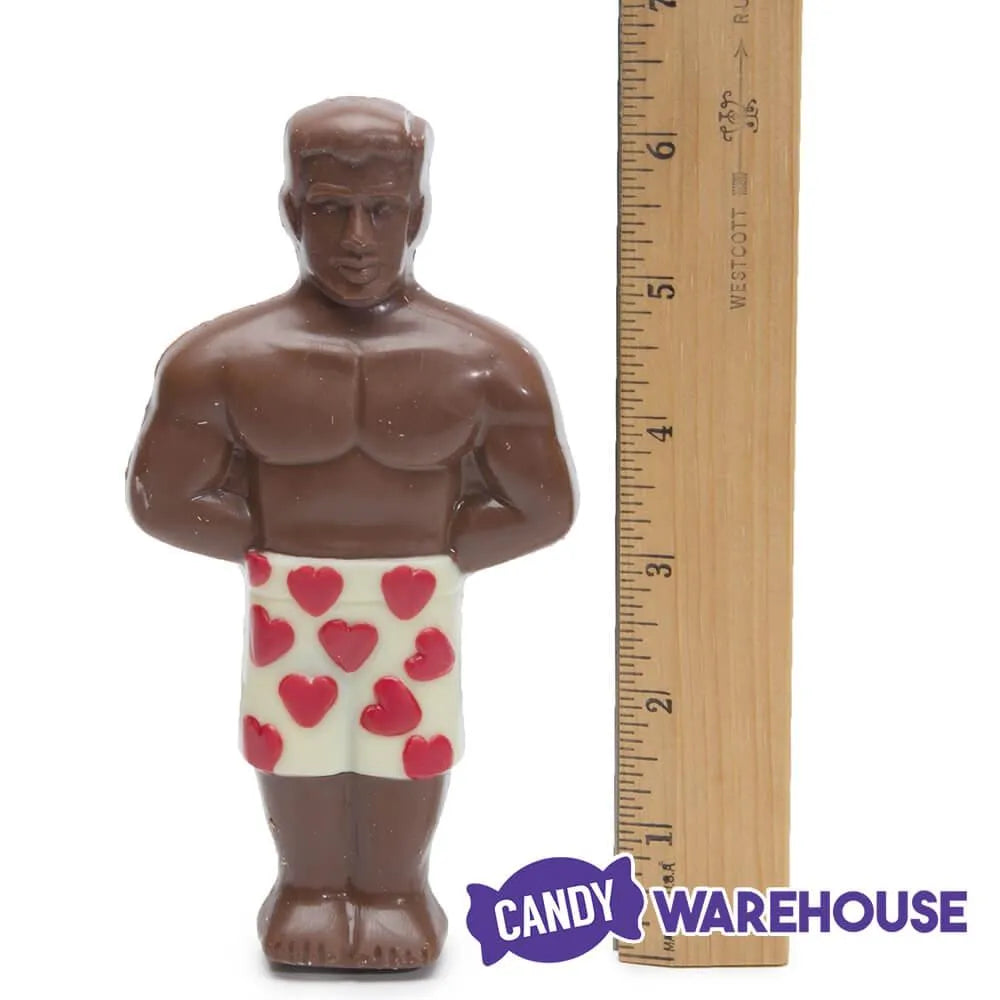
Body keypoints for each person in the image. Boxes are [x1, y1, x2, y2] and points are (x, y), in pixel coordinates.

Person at [127, 96, 576, 970]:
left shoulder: (486, 364)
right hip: (289, 592)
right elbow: (161, 497)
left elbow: (545, 507)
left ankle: (394, 892)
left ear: (421, 213)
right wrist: (275, 550)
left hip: (417, 594)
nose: (358, 239)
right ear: (291, 210)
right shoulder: (221, 362)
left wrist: (436, 559)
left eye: (384, 210)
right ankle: (307, 887)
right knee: (293, 743)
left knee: (407, 743)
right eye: (331, 209)